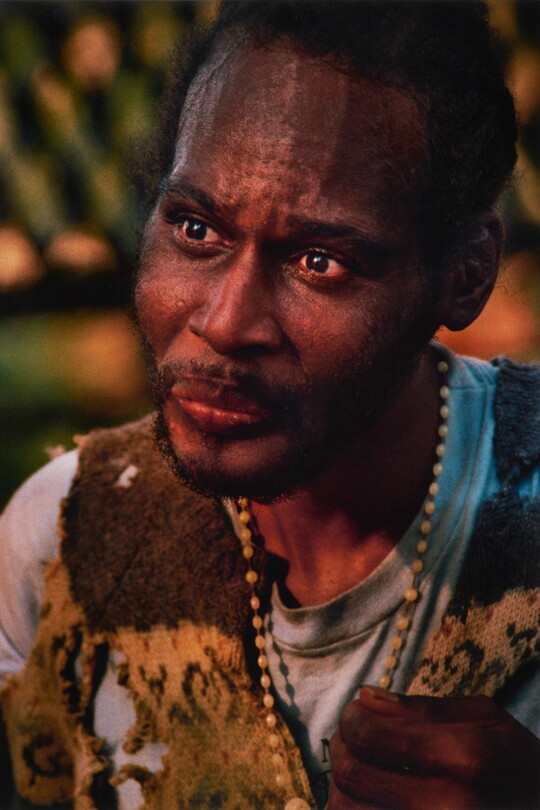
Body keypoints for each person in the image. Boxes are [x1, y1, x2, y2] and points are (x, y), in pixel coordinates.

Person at [1, 2, 539, 808]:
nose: (223, 323)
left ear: (464, 275)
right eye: (195, 228)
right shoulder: (66, 546)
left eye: (321, 261)